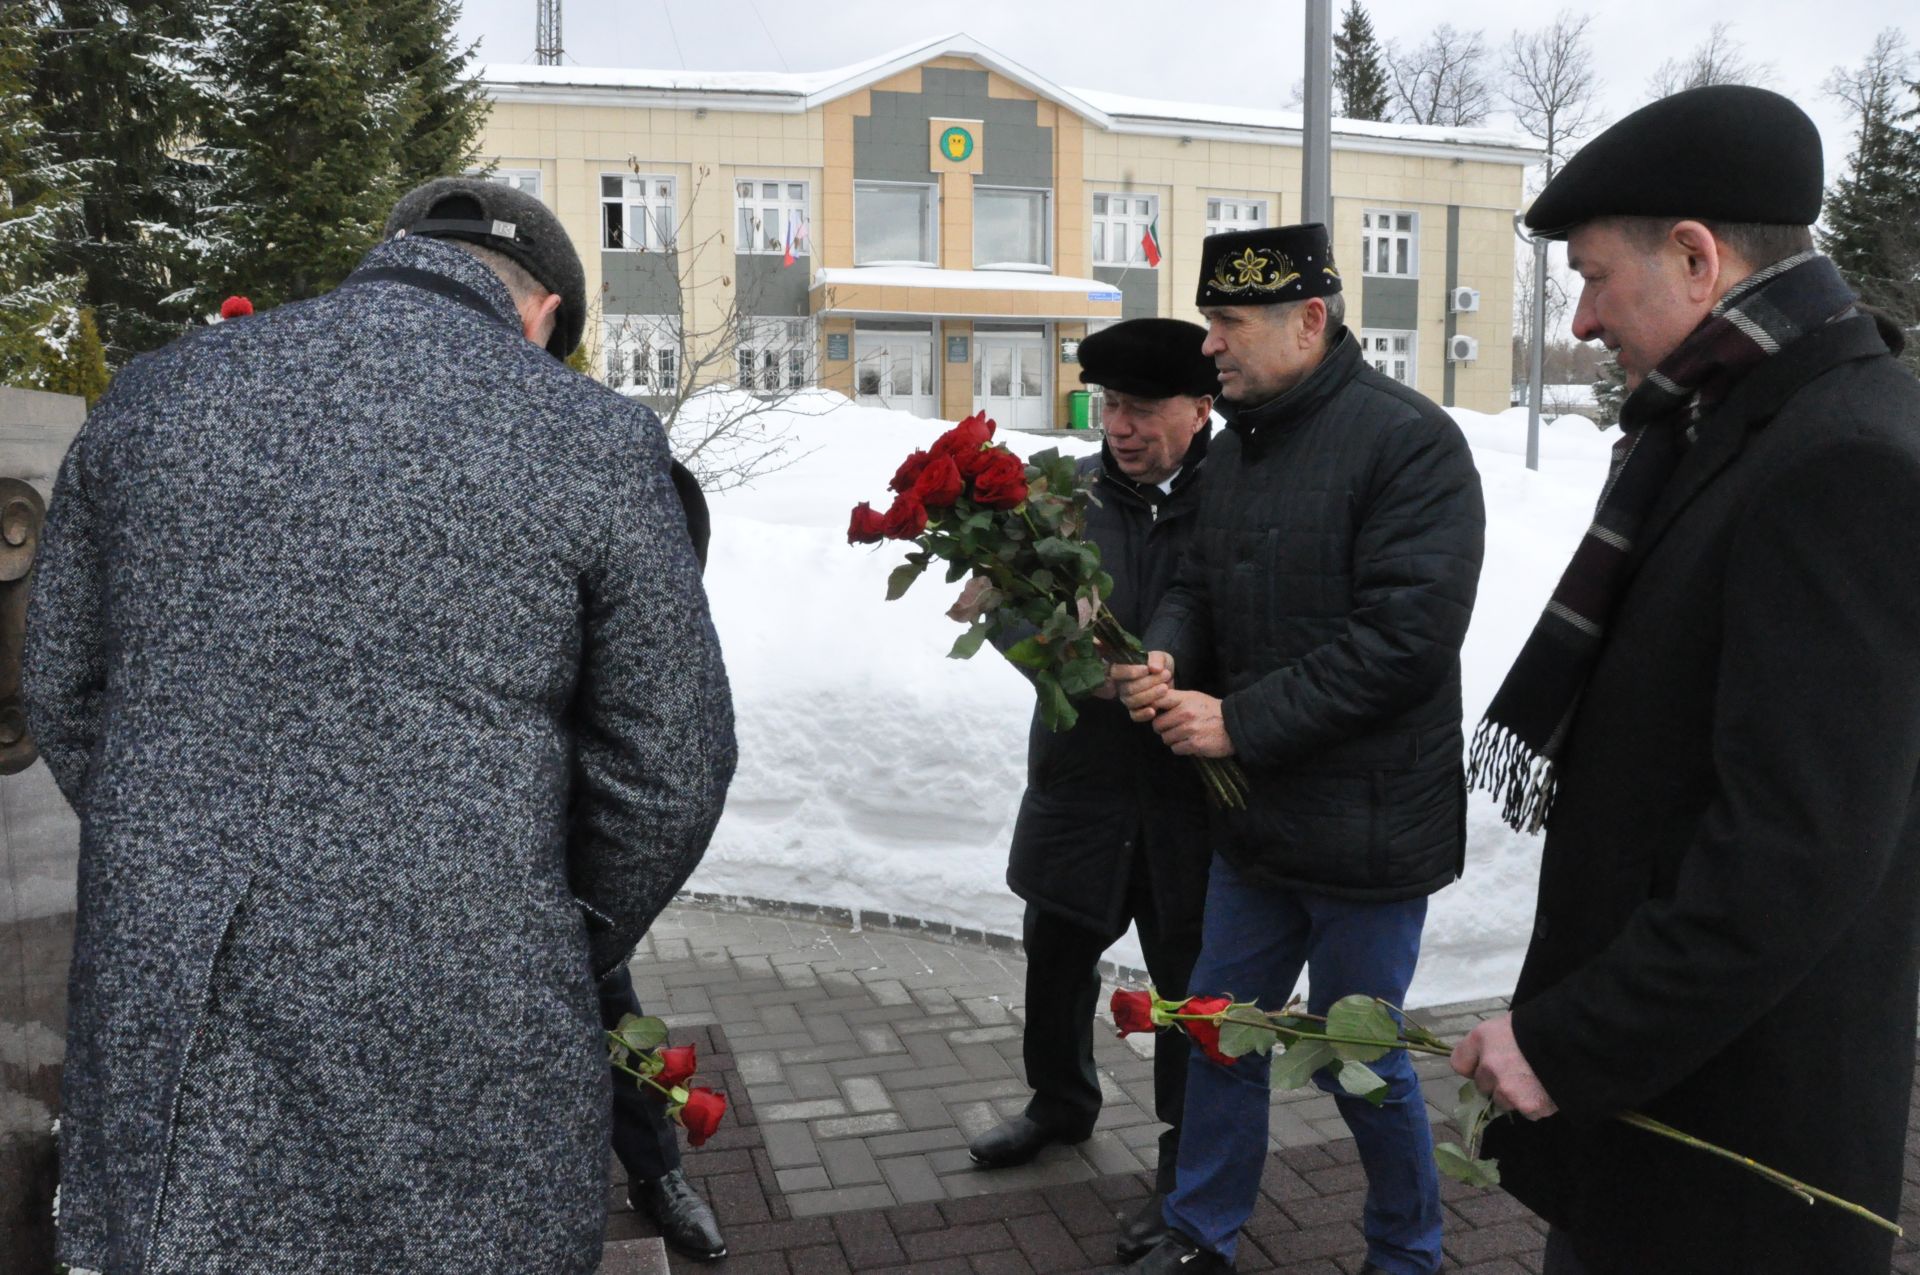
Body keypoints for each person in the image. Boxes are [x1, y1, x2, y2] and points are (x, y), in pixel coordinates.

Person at [22, 175, 738, 1273]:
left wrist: (179, 856)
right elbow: (669, 768)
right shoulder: (592, 438)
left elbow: (65, 690)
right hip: (466, 1023)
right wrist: (536, 925)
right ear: (544, 311)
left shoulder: (153, 398)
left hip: (179, 1008)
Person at [1451, 85, 1920, 1275]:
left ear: (1698, 259)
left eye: (1596, 277)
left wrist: (1575, 1040)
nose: (1586, 319)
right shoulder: (1734, 426)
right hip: (1675, 1112)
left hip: (1731, 1156)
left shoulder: (1840, 456)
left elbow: (1794, 846)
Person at [1112, 222, 1485, 1275]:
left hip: (1370, 830)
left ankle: (1406, 1251)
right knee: (1219, 1029)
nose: (1211, 348)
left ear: (1308, 319)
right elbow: (1192, 580)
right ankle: (1200, 1233)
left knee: (1356, 1059)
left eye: (1228, 324)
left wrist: (1239, 721)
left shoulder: (1410, 444)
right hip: (1258, 824)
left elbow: (1405, 642)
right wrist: (1170, 654)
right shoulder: (1236, 450)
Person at [964, 319, 1218, 1261]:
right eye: (1110, 405)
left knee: (1189, 989)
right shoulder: (1055, 500)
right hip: (1080, 779)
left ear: (1201, 407)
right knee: (1058, 954)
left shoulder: (1233, 498)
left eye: (1143, 408)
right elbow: (1008, 617)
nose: (1119, 425)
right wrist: (1079, 667)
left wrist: (1181, 671)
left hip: (1190, 789)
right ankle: (1060, 1104)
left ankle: (1186, 1163)